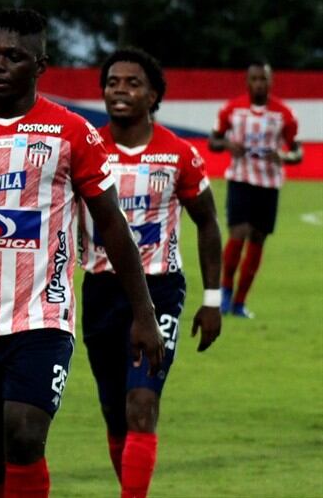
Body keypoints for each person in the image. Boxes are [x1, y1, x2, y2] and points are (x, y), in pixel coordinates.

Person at [0, 9, 162, 498]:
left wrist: (143, 312)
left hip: (43, 317)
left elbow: (112, 224)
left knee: (24, 433)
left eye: (13, 56)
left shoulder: (72, 132)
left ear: (40, 66)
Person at [79, 47, 222, 498]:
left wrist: (213, 300)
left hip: (159, 289)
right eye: (112, 82)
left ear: (153, 96)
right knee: (115, 412)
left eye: (133, 83)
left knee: (141, 404)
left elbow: (208, 222)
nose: (120, 90)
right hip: (101, 291)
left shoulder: (179, 154)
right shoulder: (85, 150)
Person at [209, 61, 302, 318]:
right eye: (255, 79)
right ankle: (225, 292)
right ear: (247, 81)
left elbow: (297, 151)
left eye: (264, 79)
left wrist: (285, 156)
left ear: (271, 82)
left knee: (258, 238)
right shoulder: (232, 109)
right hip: (240, 179)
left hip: (269, 184)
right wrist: (227, 144)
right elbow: (213, 141)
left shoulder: (284, 114)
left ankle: (240, 302)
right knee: (238, 233)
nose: (259, 84)